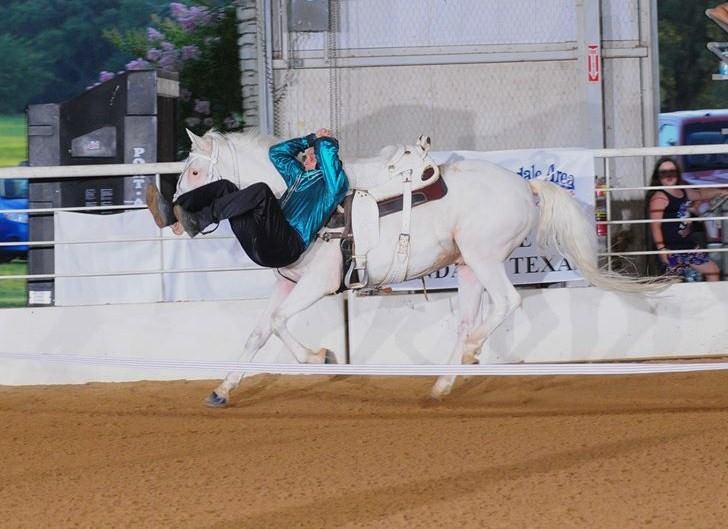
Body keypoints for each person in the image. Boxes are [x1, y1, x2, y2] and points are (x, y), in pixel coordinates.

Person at [146, 128, 349, 268]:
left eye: (316, 155)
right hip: (259, 240)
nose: (310, 156)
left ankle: (198, 221)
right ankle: (172, 214)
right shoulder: (297, 175)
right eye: (309, 154)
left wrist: (324, 140)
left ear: (325, 162)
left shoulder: (331, 186)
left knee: (261, 191)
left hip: (285, 246)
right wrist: (310, 138)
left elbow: (330, 159)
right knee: (227, 186)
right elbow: (277, 153)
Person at [647, 156, 728, 281]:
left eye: (672, 172)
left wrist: (720, 191)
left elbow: (700, 194)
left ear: (677, 173)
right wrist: (662, 250)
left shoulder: (683, 190)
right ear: (658, 176)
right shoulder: (659, 197)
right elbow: (655, 227)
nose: (668, 175)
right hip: (671, 249)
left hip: (688, 246)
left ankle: (708, 301)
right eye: (664, 172)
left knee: (713, 271)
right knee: (674, 283)